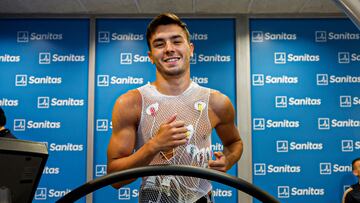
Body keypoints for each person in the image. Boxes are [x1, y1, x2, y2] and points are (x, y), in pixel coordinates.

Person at [107, 12, 243, 203]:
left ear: (191, 49)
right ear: (151, 56)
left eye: (176, 41)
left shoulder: (216, 102)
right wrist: (154, 145)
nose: (169, 49)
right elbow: (115, 178)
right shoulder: (131, 103)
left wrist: (227, 160)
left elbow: (235, 143)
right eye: (159, 44)